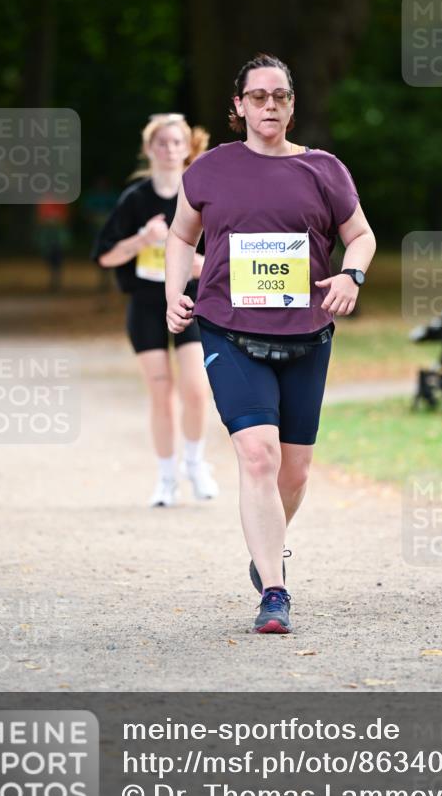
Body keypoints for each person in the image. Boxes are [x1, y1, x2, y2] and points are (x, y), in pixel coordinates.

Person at [165, 54, 376, 633]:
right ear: (238, 106)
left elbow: (360, 236)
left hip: (307, 332)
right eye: (257, 97)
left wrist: (350, 276)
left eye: (280, 96)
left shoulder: (323, 169)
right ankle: (275, 590)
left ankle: (265, 545)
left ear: (291, 103)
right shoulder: (209, 169)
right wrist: (172, 292)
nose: (269, 106)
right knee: (258, 453)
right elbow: (181, 236)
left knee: (296, 471)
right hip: (228, 329)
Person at [93, 113, 218, 506]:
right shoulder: (136, 199)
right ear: (149, 149)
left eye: (176, 142)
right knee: (161, 392)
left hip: (191, 301)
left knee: (196, 390)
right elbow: (106, 257)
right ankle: (166, 478)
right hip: (147, 304)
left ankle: (195, 464)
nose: (169, 150)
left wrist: (200, 264)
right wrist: (141, 239)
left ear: (187, 148)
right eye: (161, 143)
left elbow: (224, 254)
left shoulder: (200, 194)